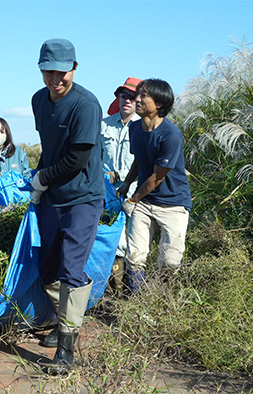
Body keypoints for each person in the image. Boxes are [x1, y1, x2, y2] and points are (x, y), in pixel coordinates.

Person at [30, 38, 105, 375]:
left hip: (83, 198)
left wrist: (43, 176)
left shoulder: (86, 105)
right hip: (52, 199)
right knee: (48, 266)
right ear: (42, 69)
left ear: (74, 68)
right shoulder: (38, 101)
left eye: (62, 72)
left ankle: (65, 349)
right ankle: (64, 323)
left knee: (71, 269)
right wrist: (39, 182)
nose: (55, 79)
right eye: (49, 71)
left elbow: (77, 158)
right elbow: (50, 147)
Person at [119, 78, 192, 295]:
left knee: (169, 260)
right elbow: (139, 160)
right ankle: (138, 301)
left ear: (159, 104)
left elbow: (157, 177)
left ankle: (161, 301)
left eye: (143, 96)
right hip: (144, 201)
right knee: (135, 256)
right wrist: (127, 183)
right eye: (137, 94)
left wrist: (132, 200)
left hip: (173, 203)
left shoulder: (171, 135)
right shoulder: (134, 128)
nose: (136, 99)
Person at [100, 77, 142, 296]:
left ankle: (127, 293)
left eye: (132, 97)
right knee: (109, 239)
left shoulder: (143, 127)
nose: (127, 100)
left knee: (131, 242)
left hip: (134, 193)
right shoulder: (103, 125)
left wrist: (123, 177)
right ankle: (109, 293)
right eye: (123, 95)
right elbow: (92, 158)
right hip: (106, 193)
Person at [0, 117, 32, 194]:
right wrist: (0, 184)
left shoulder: (19, 153)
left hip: (19, 198)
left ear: (7, 133)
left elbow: (27, 175)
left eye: (2, 132)